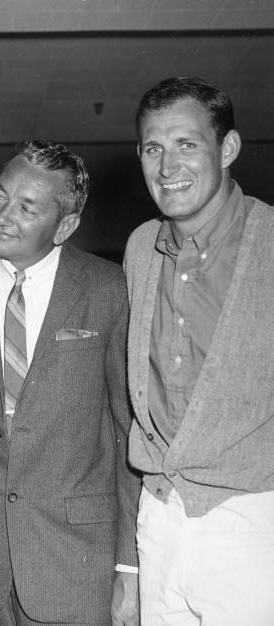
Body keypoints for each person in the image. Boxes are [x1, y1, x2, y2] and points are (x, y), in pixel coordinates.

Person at [0, 141, 141, 626]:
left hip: (76, 563)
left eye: (27, 206)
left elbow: (127, 434)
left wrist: (128, 563)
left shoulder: (109, 289)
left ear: (66, 225)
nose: (3, 215)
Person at [125, 76, 274, 623]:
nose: (168, 168)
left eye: (187, 144)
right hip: (159, 512)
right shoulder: (141, 247)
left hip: (254, 517)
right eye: (153, 148)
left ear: (227, 148)